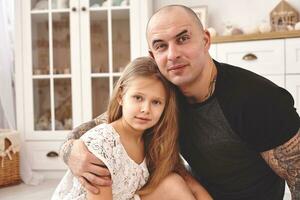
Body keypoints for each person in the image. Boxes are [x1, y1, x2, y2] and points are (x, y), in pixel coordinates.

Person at [60, 5, 300, 200]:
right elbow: (93, 130)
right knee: (166, 180)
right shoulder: (162, 95)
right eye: (161, 45)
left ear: (206, 40)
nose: (172, 54)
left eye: (183, 38)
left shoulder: (257, 98)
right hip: (193, 193)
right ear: (153, 56)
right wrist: (71, 153)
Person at [52, 57, 212, 200]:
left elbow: (187, 180)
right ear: (121, 97)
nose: (146, 109)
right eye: (138, 98)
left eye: (156, 102)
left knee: (173, 184)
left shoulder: (151, 138)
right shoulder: (104, 143)